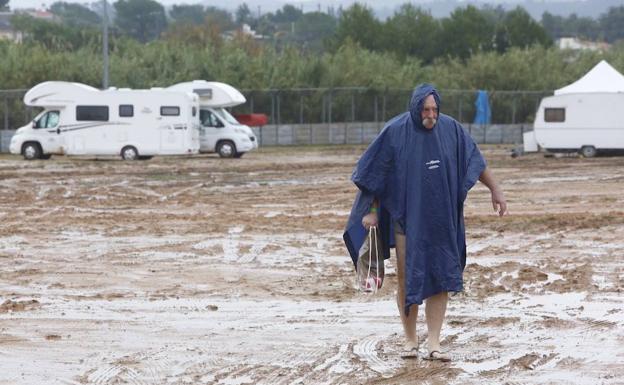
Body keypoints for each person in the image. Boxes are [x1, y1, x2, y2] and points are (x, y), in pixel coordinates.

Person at [343, 83, 507, 362]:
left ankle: (434, 342)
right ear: (415, 108)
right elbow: (374, 174)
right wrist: (370, 210)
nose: (431, 115)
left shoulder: (451, 129)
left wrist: (496, 189)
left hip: (443, 220)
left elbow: (475, 160)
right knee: (407, 277)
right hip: (406, 220)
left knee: (442, 277)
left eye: (434, 109)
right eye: (425, 109)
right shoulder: (396, 131)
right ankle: (410, 341)